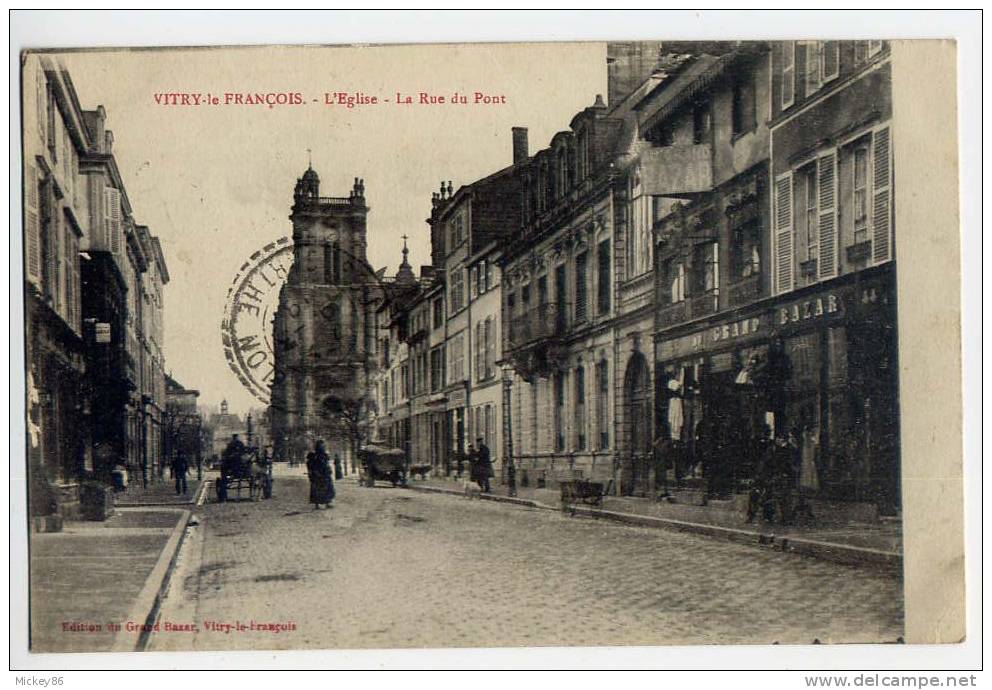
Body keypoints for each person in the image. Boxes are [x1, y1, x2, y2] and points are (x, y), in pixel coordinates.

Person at [307, 440, 335, 509]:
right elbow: (310, 465)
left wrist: (329, 470)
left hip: (325, 474)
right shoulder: (314, 456)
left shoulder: (324, 455)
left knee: (327, 488)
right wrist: (313, 472)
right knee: (318, 489)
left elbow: (326, 464)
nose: (323, 447)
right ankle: (317, 504)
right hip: (318, 475)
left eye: (323, 446)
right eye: (322, 446)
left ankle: (327, 502)